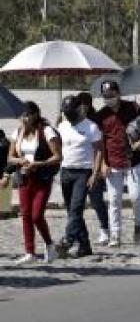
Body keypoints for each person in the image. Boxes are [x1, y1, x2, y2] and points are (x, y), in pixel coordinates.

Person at [4, 101, 62, 264]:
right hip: (24, 177)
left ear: (35, 114)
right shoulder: (18, 132)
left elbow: (57, 156)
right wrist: (20, 160)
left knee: (37, 215)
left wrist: (38, 164)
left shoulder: (46, 131)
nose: (24, 118)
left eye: (27, 115)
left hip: (42, 178)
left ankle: (50, 245)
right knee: (26, 215)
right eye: (22, 115)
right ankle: (30, 252)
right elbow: (10, 157)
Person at [94, 81, 140, 247]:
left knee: (136, 196)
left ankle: (138, 226)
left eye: (111, 94)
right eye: (105, 96)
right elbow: (100, 142)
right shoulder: (101, 115)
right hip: (112, 160)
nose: (109, 98)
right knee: (114, 199)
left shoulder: (134, 108)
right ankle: (115, 235)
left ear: (119, 93)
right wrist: (103, 163)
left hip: (134, 160)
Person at [55, 95, 103, 259]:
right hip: (66, 171)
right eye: (65, 112)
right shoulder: (61, 126)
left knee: (76, 208)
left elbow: (99, 150)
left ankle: (67, 240)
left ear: (79, 109)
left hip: (83, 172)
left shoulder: (91, 127)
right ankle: (85, 246)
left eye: (70, 111)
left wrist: (95, 173)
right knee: (72, 211)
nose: (68, 115)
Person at [77, 91, 110, 245]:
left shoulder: (96, 121)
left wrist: (103, 165)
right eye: (80, 102)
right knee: (76, 204)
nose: (83, 105)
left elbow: (102, 146)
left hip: (93, 165)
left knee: (96, 200)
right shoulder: (70, 119)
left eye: (86, 102)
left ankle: (105, 228)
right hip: (77, 166)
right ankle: (78, 233)